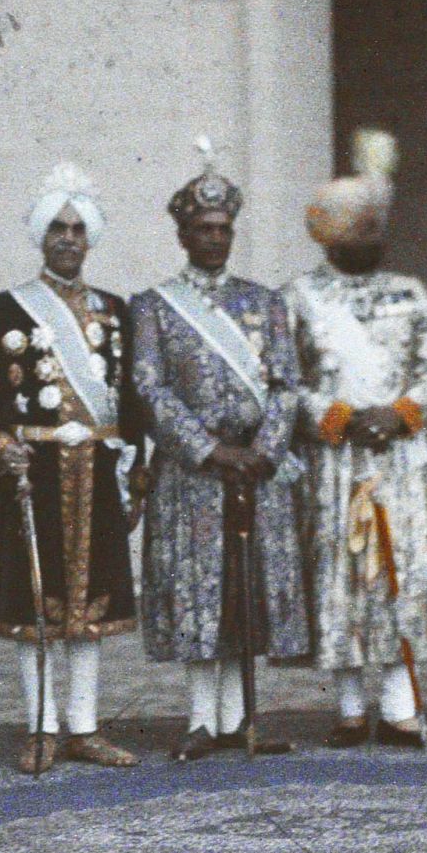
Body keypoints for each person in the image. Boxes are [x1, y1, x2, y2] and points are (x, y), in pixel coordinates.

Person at [131, 144, 308, 760]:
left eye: (223, 229)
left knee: (246, 587)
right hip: (194, 472)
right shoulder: (155, 307)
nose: (214, 239)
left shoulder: (266, 302)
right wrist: (208, 451)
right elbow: (149, 389)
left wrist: (264, 449)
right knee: (199, 587)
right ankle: (202, 717)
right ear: (183, 235)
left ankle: (240, 718)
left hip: (257, 469)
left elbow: (287, 383)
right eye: (203, 229)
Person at [0, 163, 146, 775]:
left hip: (97, 470)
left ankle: (85, 727)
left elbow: (131, 404)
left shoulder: (116, 310)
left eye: (77, 229)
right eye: (56, 228)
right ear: (41, 236)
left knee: (91, 607)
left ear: (89, 237)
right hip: (34, 473)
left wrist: (137, 475)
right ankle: (42, 726)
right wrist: (1, 450)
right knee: (36, 605)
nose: (67, 239)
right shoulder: (5, 310)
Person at [285, 140, 427, 751]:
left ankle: (403, 710)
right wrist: (337, 417)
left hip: (399, 457)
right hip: (336, 460)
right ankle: (350, 710)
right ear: (330, 236)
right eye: (360, 228)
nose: (373, 238)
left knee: (400, 572)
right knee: (343, 576)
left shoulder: (410, 292)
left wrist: (400, 412)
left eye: (377, 227)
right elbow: (285, 380)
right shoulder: (299, 297)